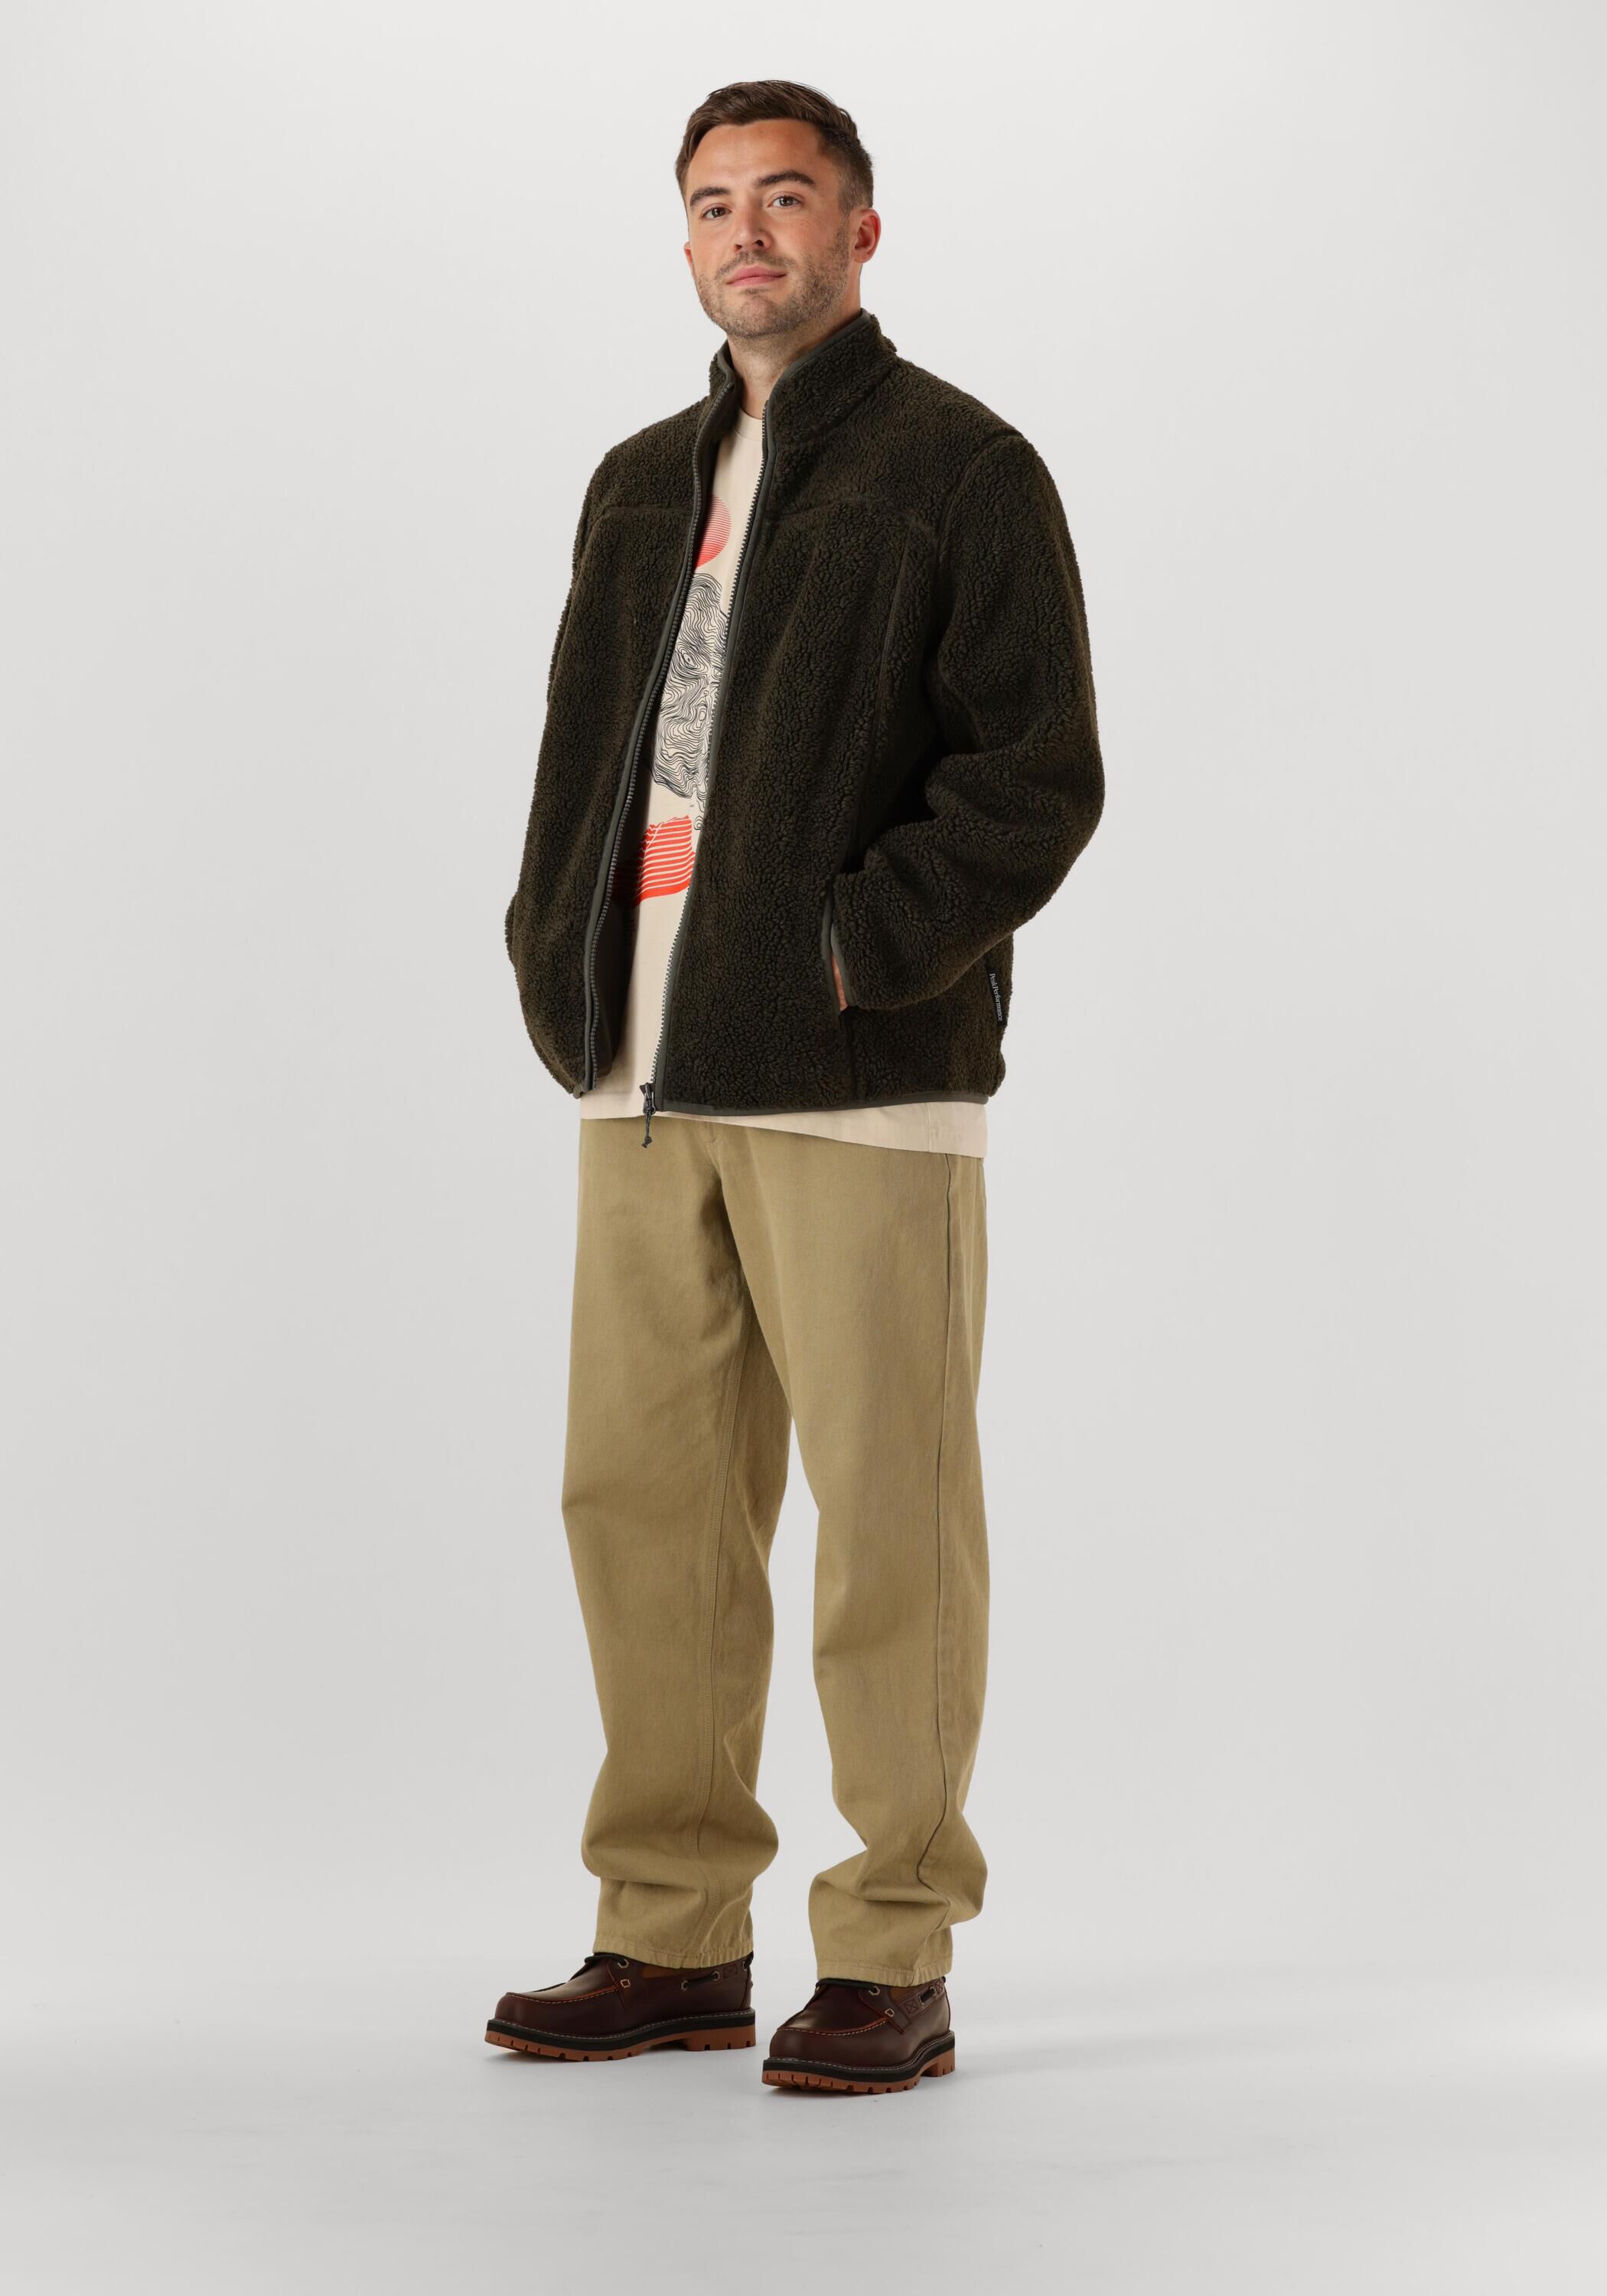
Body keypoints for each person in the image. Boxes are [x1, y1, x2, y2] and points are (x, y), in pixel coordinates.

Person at [491, 78, 1104, 2095]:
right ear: (683, 238)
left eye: (784, 197)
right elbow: (583, 757)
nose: (743, 232)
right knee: (643, 1504)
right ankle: (670, 1934)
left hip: (855, 1072)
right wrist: (555, 947)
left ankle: (893, 1946)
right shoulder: (634, 485)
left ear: (858, 229)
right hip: (638, 1061)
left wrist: (850, 949)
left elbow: (1036, 775)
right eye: (710, 204)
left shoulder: (958, 467)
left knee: (884, 1512)